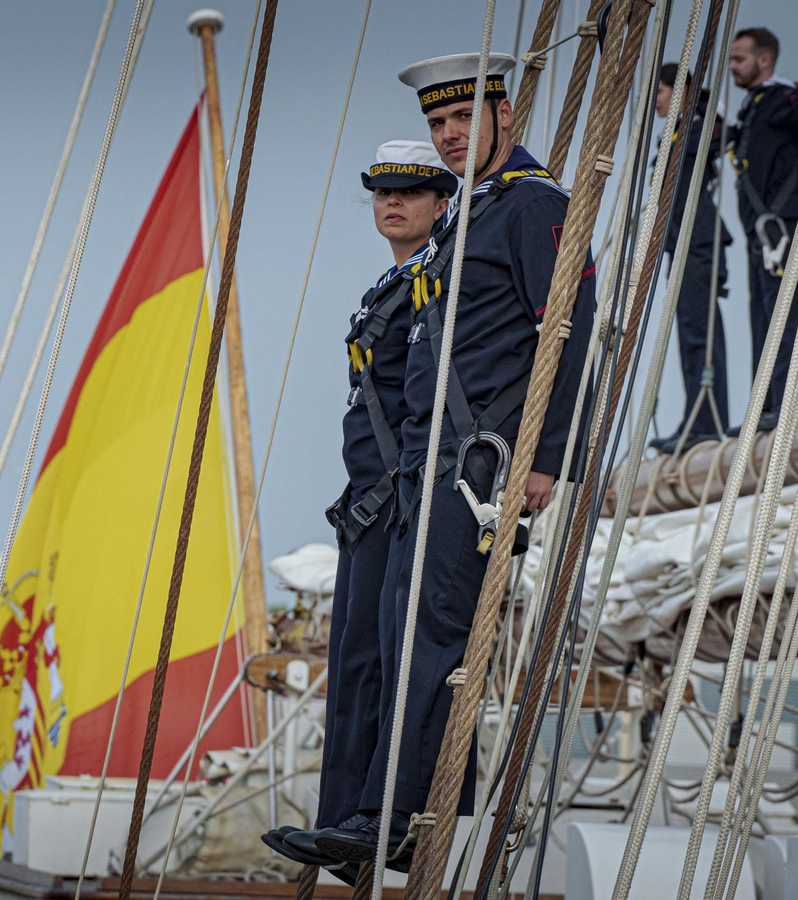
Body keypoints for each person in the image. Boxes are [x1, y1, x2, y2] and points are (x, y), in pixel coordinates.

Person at [301, 52, 597, 866]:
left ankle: (395, 820)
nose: (451, 136)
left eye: (463, 118)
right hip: (428, 469)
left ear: (507, 114)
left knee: (430, 642)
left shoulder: (533, 205)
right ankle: (376, 820)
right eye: (439, 124)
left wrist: (549, 457)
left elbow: (569, 331)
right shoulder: (474, 216)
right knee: (399, 640)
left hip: (476, 467)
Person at [263, 141, 456, 874]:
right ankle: (342, 825)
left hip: (404, 497)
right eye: (382, 194)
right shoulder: (393, 284)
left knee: (395, 662)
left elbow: (430, 404)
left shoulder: (444, 278)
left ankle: (381, 820)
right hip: (370, 503)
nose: (392, 205)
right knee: (354, 664)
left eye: (410, 193)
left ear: (443, 202)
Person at [726, 27, 798, 431]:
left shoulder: (782, 99)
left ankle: (791, 401)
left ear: (764, 60)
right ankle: (768, 402)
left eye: (739, 59)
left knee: (781, 313)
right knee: (762, 315)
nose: (732, 67)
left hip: (780, 225)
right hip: (758, 230)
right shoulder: (753, 108)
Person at [651, 62, 734, 452]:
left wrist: (695, 114)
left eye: (662, 92)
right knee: (687, 332)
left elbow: (721, 138)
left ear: (681, 90)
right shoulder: (677, 133)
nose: (656, 101)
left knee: (701, 331)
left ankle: (706, 418)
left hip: (697, 241)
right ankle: (694, 417)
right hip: (678, 243)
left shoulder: (701, 127)